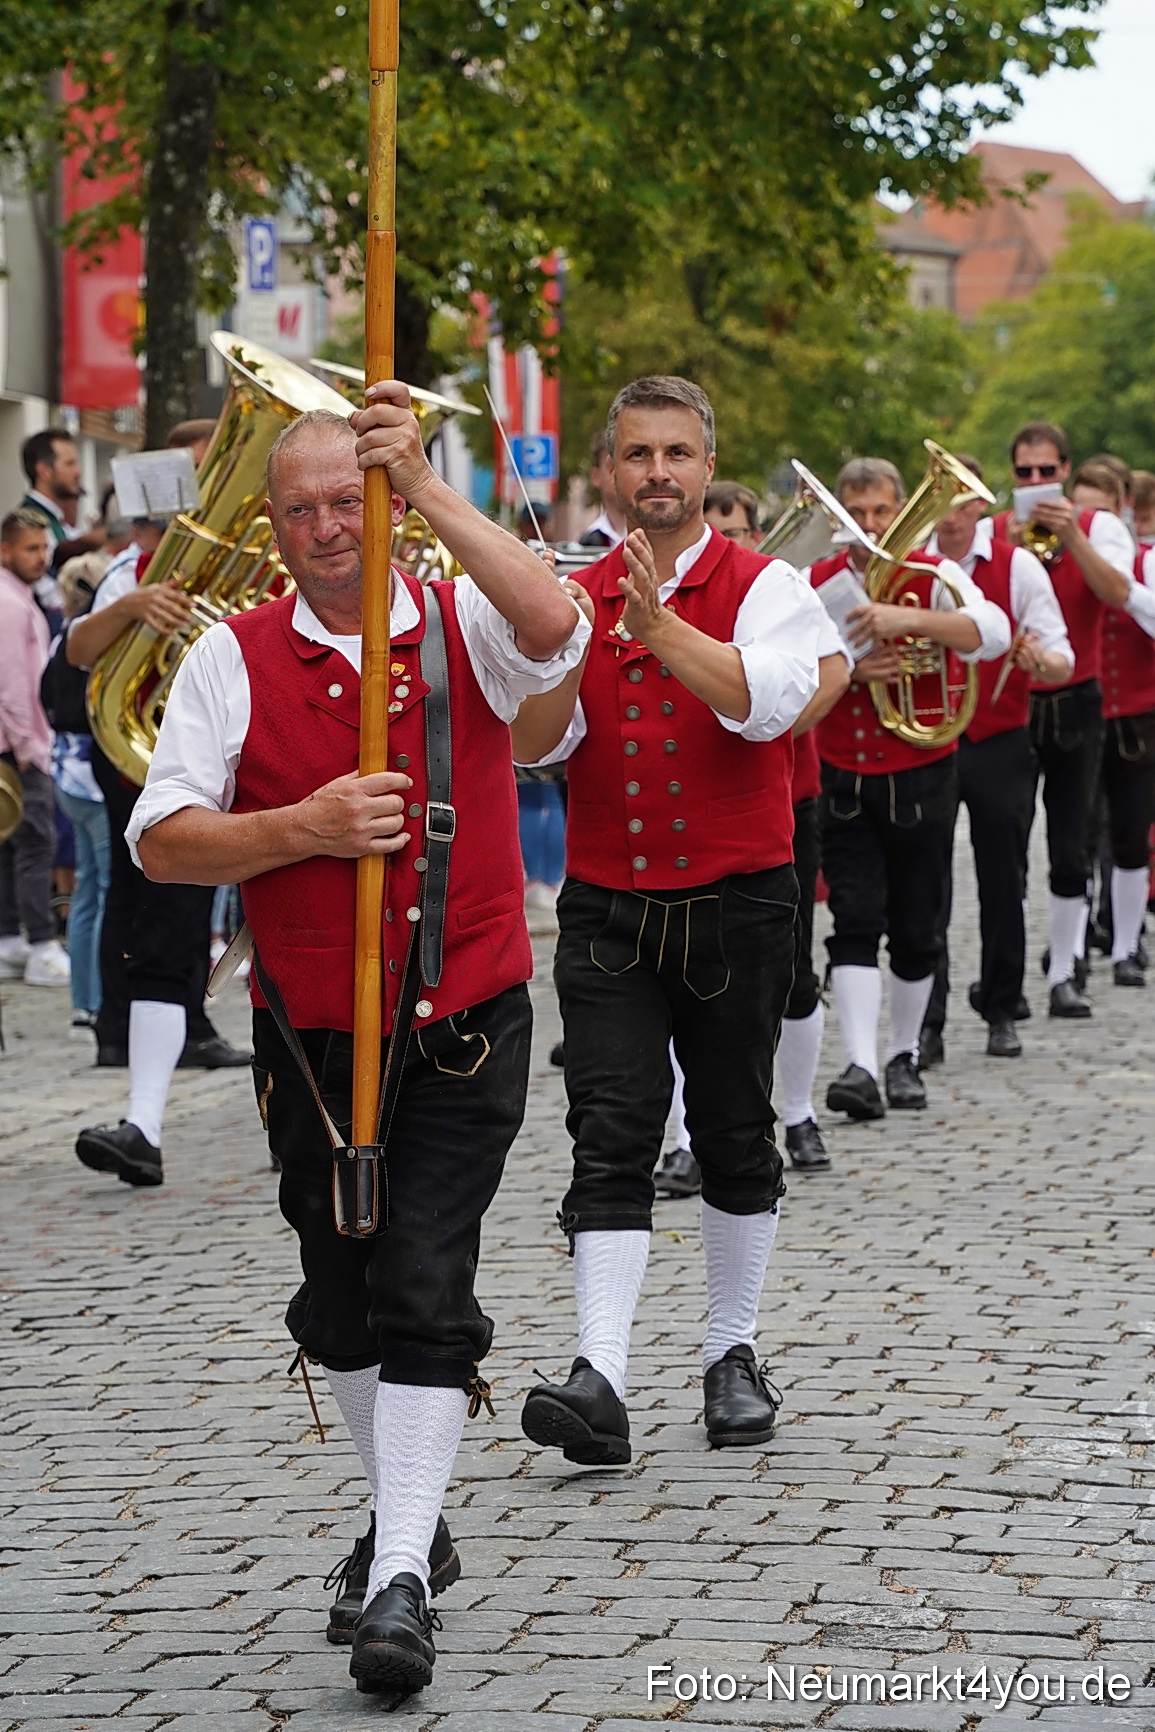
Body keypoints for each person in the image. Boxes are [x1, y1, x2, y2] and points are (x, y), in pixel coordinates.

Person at [129, 396, 587, 1696]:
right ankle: (409, 1517)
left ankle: (396, 1580)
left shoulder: (462, 623)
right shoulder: (235, 654)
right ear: (270, 527)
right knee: (339, 1310)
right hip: (309, 1036)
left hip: (462, 1021)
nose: (331, 530)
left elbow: (556, 625)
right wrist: (305, 826)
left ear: (385, 501)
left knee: (424, 1289)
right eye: (306, 510)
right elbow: (160, 839)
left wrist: (430, 491)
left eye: (353, 501)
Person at [510, 377, 831, 1463]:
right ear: (609, 471)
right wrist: (565, 645)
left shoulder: (767, 583)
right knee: (611, 1129)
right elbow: (533, 747)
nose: (658, 473)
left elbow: (768, 704)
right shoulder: (569, 593)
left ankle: (731, 1351)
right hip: (608, 904)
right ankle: (600, 1372)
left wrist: (660, 630)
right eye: (638, 454)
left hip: (741, 898)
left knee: (738, 1131)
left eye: (678, 454)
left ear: (707, 465)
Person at [809, 457, 1010, 1120]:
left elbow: (992, 634)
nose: (869, 525)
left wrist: (907, 621)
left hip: (923, 770)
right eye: (857, 513)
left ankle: (902, 1054)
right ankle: (860, 1064)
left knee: (918, 925)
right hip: (843, 773)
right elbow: (790, 666)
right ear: (840, 517)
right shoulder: (814, 584)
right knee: (854, 919)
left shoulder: (933, 574)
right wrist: (855, 671)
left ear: (899, 512)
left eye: (880, 512)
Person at [67, 510, 248, 1179]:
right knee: (164, 936)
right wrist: (137, 606)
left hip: (264, 762)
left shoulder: (283, 558)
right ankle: (143, 1121)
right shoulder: (127, 571)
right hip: (162, 770)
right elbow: (77, 651)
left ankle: (301, 1122)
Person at [919, 461, 1073, 1060]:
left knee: (1002, 876)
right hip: (927, 736)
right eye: (940, 499)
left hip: (1000, 738)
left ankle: (1002, 1007)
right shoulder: (911, 564)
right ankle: (926, 1021)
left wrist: (1043, 663)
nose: (950, 512)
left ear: (981, 507)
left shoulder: (1019, 564)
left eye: (961, 500)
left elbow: (1060, 653)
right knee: (925, 882)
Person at [991, 423, 1133, 1017]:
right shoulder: (996, 531)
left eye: (1047, 472)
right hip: (1017, 699)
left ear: (1066, 472)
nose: (1035, 483)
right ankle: (1011, 974)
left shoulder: (1100, 528)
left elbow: (1119, 593)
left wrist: (1073, 536)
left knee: (1071, 841)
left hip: (1077, 697)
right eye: (1024, 473)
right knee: (1010, 843)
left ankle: (1065, 969)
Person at [1072, 464, 1155, 987]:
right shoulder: (1054, 565)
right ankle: (1072, 947)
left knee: (1129, 835)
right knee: (1075, 839)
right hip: (1078, 720)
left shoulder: (1145, 563)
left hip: (1136, 720)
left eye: (1099, 513)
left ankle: (1126, 944)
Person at [0, 510, 72, 986]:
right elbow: (12, 684)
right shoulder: (9, 601)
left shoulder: (18, 595)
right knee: (35, 842)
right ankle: (42, 944)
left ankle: (10, 939)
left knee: (13, 845)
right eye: (31, 549)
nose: (42, 558)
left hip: (17, 743)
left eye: (44, 548)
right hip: (20, 745)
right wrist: (31, 749)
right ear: (5, 550)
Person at [42, 553, 113, 1031]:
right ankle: (104, 996)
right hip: (91, 778)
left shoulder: (57, 639)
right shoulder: (88, 639)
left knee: (89, 890)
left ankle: (86, 998)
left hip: (66, 774)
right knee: (107, 890)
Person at [19, 426, 105, 569]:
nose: (78, 473)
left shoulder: (55, 520)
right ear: (44, 471)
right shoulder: (28, 523)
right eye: (69, 464)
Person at [578, 429, 627, 548]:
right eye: (611, 467)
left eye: (626, 465)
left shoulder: (660, 540)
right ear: (595, 476)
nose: (618, 475)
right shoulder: (586, 544)